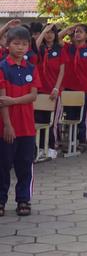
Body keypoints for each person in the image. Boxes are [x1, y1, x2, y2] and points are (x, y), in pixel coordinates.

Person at [0, 26, 41, 217]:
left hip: (27, 127)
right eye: (16, 43)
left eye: (24, 44)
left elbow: (33, 96)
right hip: (6, 127)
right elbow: (2, 100)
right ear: (7, 45)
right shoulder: (2, 68)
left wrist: (14, 101)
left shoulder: (31, 68)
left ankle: (23, 200)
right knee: (3, 165)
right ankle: (1, 200)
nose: (20, 47)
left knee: (25, 165)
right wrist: (7, 125)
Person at [59, 24, 87, 146]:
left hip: (83, 88)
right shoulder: (68, 48)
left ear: (86, 35)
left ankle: (82, 140)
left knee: (81, 116)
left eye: (80, 31)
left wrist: (83, 76)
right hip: (68, 87)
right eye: (75, 32)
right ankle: (70, 140)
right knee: (69, 116)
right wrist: (69, 28)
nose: (77, 33)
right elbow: (58, 38)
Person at [35, 24, 67, 155]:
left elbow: (62, 71)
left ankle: (51, 147)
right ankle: (41, 147)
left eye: (51, 32)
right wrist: (43, 32)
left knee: (52, 121)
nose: (49, 35)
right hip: (40, 90)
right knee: (39, 120)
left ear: (55, 35)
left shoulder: (59, 49)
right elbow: (35, 46)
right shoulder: (40, 49)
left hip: (53, 91)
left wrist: (56, 88)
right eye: (47, 33)